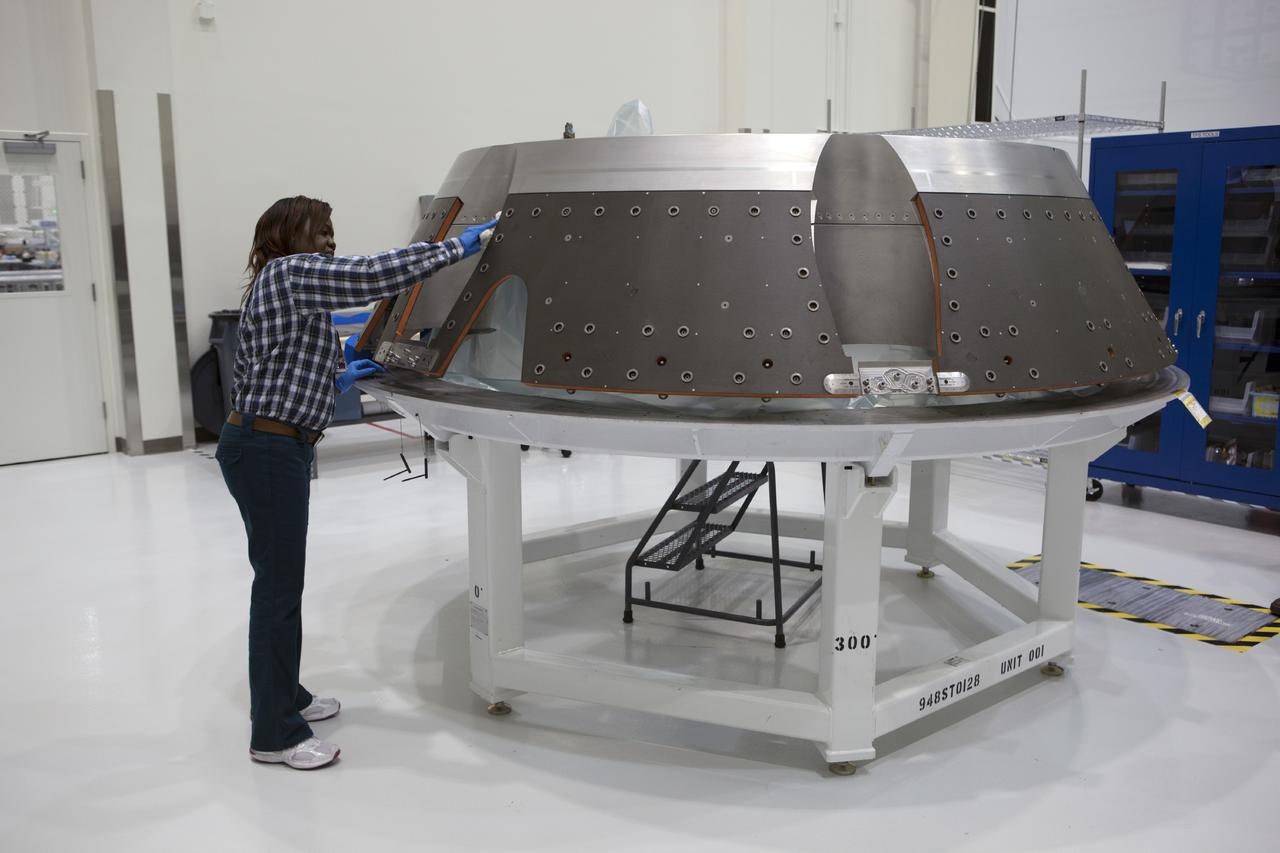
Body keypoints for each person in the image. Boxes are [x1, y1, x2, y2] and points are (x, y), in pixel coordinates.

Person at [217, 195, 495, 770]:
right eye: (320, 231)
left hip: (270, 444)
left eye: (332, 232)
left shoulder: (285, 289)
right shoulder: (291, 274)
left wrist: (344, 372)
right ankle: (273, 733)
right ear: (289, 234)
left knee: (280, 584)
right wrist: (457, 247)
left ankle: (287, 697)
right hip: (268, 448)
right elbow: (371, 276)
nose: (329, 241)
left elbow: (275, 372)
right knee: (276, 589)